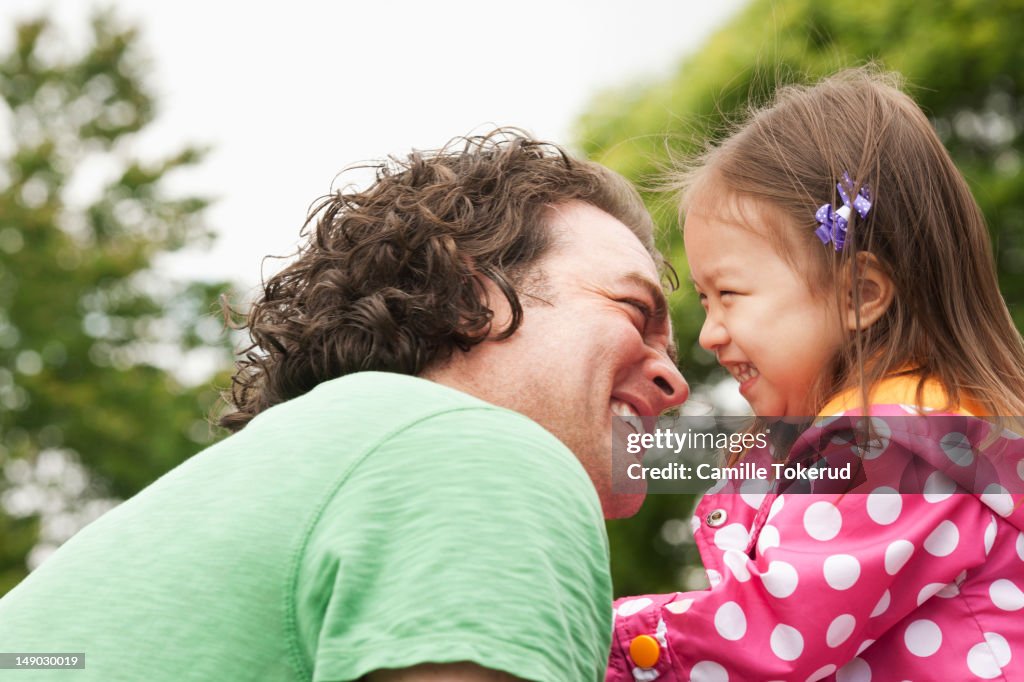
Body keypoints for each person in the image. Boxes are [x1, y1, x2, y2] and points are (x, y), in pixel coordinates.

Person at [0, 129, 688, 681]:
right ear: (472, 300)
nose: (675, 383)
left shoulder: (305, 471)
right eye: (634, 312)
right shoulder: (475, 453)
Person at [606, 68, 1024, 681]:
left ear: (860, 294)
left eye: (729, 293)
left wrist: (592, 634)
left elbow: (774, 631)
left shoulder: (896, 446)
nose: (709, 333)